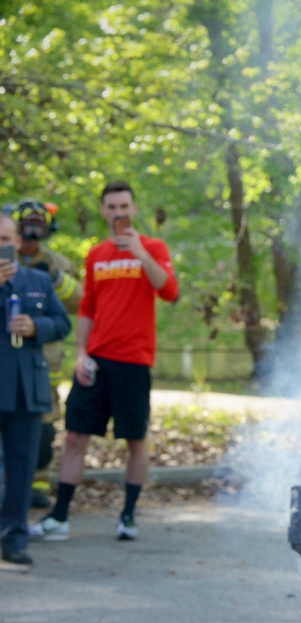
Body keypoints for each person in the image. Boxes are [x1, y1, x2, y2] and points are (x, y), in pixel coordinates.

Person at [30, 181, 179, 543]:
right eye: (111, 207)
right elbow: (87, 308)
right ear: (103, 211)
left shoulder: (154, 247)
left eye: (124, 206)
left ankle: (128, 516)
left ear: (134, 208)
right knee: (76, 436)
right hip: (96, 360)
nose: (118, 213)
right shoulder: (96, 254)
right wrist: (81, 354)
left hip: (134, 362)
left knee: (135, 440)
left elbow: (170, 291)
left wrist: (141, 254)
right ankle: (60, 517)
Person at [0, 213, 72, 566]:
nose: (2, 247)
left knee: (22, 466)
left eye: (6, 239)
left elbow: (63, 322)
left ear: (18, 241)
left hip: (26, 388)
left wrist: (36, 326)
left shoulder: (39, 280)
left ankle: (14, 538)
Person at [11, 198, 83, 510]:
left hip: (44, 365)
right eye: (25, 228)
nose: (30, 235)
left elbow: (79, 304)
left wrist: (54, 278)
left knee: (41, 429)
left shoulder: (55, 264)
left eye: (37, 227)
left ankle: (38, 483)